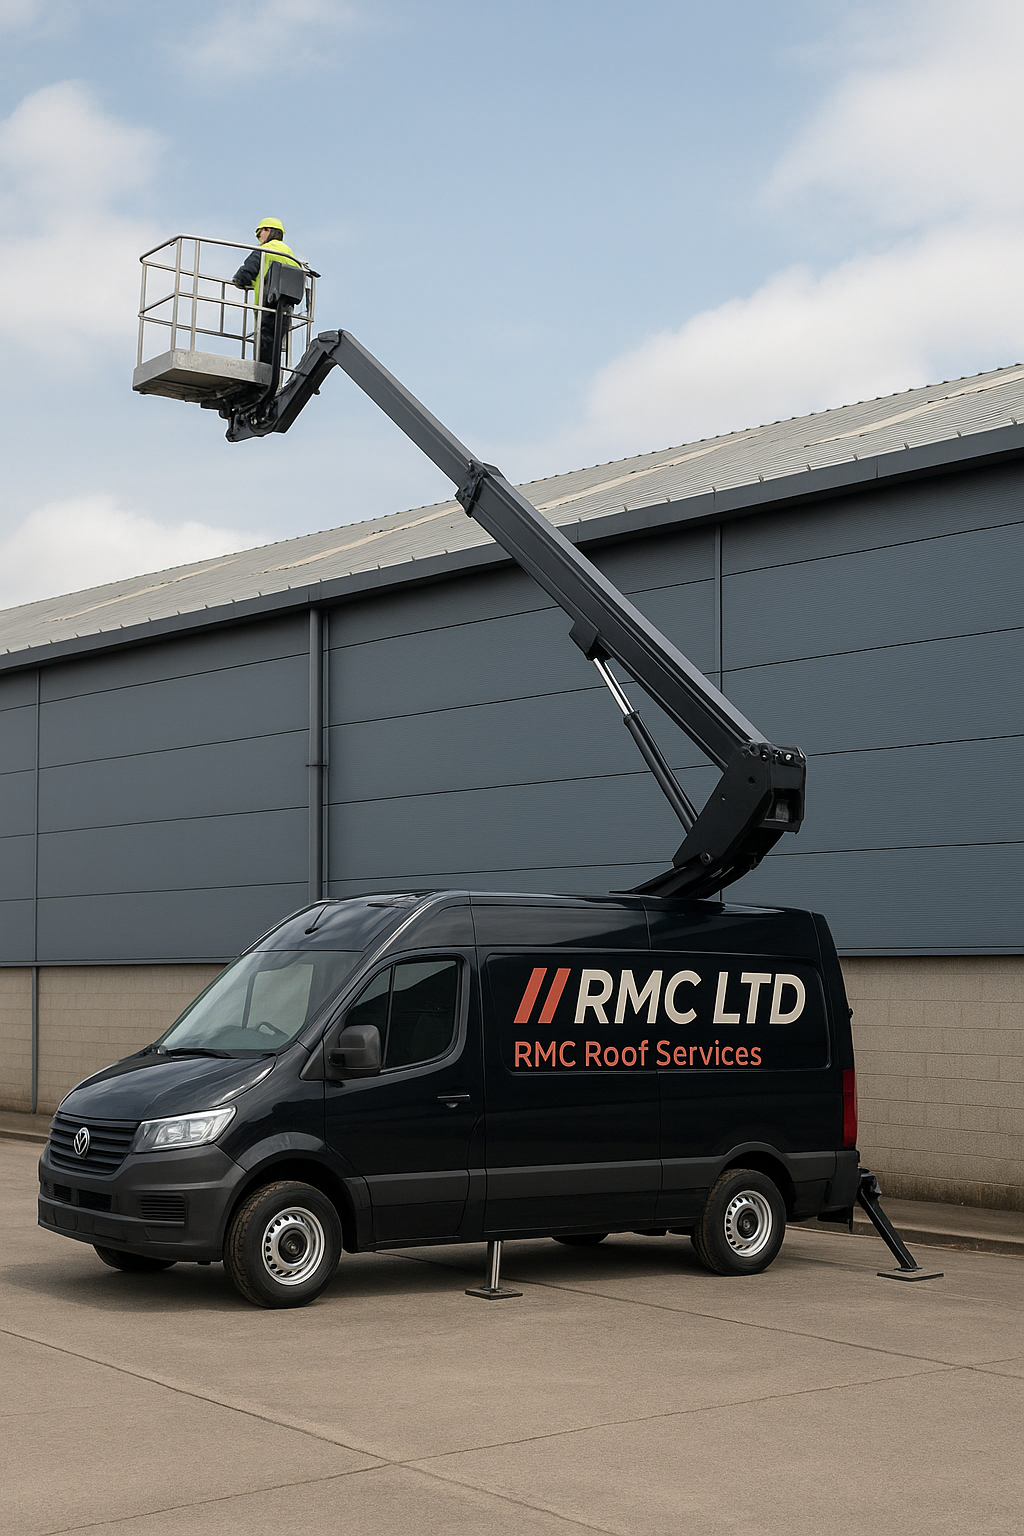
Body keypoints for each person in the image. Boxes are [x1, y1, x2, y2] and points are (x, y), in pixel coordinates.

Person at [232, 218, 304, 364]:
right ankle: (272, 379)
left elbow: (245, 274)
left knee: (264, 350)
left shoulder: (265, 250)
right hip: (285, 311)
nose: (259, 238)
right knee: (275, 349)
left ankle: (263, 382)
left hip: (267, 307)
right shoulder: (291, 256)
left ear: (267, 230)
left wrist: (240, 282)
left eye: (259, 234)